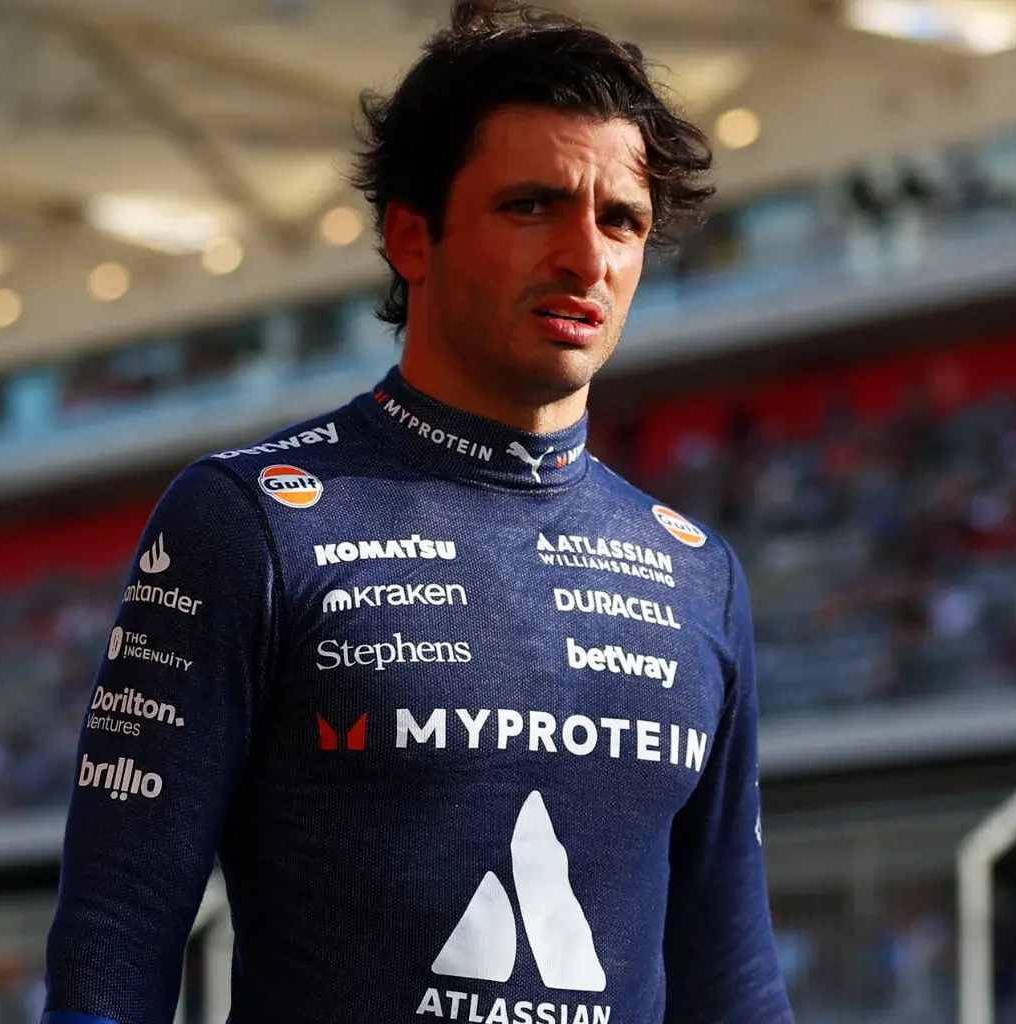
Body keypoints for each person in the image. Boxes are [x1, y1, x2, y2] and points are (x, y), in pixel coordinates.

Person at [40, 2, 794, 1021]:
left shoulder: (696, 571)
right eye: (533, 206)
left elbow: (734, 977)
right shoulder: (249, 521)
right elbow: (115, 937)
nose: (587, 257)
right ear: (411, 235)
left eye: (622, 220)